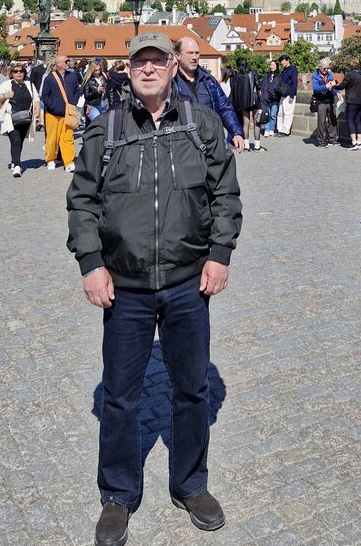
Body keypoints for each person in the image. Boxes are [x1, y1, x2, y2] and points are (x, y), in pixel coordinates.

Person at [67, 32, 242, 545]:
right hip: (126, 286)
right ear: (128, 70)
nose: (148, 68)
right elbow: (83, 201)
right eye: (139, 61)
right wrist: (91, 264)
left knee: (192, 388)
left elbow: (225, 194)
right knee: (121, 394)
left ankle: (190, 484)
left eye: (157, 61)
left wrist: (220, 254)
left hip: (188, 281)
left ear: (171, 68)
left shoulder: (201, 124)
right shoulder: (106, 130)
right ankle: (118, 494)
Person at [172, 37, 244, 152]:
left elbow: (224, 108)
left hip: (212, 144)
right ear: (177, 56)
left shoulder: (208, 80)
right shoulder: (171, 83)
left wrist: (236, 132)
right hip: (184, 147)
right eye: (190, 53)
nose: (194, 57)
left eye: (197, 53)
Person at [0, 64, 40, 177]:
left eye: (21, 71)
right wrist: (5, 95)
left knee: (20, 141)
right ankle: (17, 166)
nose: (18, 73)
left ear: (24, 73)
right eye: (15, 71)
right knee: (15, 140)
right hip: (11, 118)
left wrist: (37, 108)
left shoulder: (29, 84)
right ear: (12, 73)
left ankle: (14, 161)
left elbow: (36, 98)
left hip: (26, 117)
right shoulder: (7, 84)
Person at [41, 55, 81, 171]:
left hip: (68, 113)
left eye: (68, 61)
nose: (68, 63)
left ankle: (69, 162)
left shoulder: (72, 76)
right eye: (66, 61)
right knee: (52, 139)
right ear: (58, 64)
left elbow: (77, 90)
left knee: (68, 138)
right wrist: (52, 106)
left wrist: (73, 102)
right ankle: (50, 159)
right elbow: (45, 95)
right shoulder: (50, 78)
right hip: (53, 114)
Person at [229, 57, 262, 151]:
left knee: (245, 123)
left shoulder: (236, 76)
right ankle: (257, 146)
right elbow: (258, 86)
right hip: (254, 100)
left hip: (243, 101)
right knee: (256, 123)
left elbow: (234, 90)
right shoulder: (253, 73)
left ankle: (246, 145)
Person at [334, 57, 361, 149]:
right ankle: (359, 142)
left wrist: (334, 86)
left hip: (353, 100)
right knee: (358, 121)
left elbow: (342, 86)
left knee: (350, 120)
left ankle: (354, 142)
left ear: (350, 65)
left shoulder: (349, 75)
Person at [311, 58, 339, 147]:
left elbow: (332, 85)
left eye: (328, 68)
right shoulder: (315, 75)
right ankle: (321, 141)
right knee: (322, 122)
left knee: (332, 120)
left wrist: (337, 93)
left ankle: (332, 139)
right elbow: (316, 88)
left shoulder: (329, 74)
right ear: (320, 67)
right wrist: (325, 86)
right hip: (321, 101)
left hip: (330, 100)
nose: (326, 70)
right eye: (325, 68)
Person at [276, 53, 298, 137]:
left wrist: (292, 95)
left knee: (288, 113)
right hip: (283, 93)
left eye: (283, 61)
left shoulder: (293, 70)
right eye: (281, 61)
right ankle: (280, 129)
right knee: (280, 113)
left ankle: (285, 131)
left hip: (289, 94)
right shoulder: (284, 70)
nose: (282, 63)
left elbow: (294, 83)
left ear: (288, 60)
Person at [260, 59, 282, 137]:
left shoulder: (279, 76)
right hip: (266, 98)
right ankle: (267, 129)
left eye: (273, 65)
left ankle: (272, 129)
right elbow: (263, 86)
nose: (272, 66)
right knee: (267, 114)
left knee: (273, 114)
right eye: (271, 65)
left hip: (275, 98)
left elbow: (280, 87)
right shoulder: (266, 76)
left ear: (277, 66)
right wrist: (262, 96)